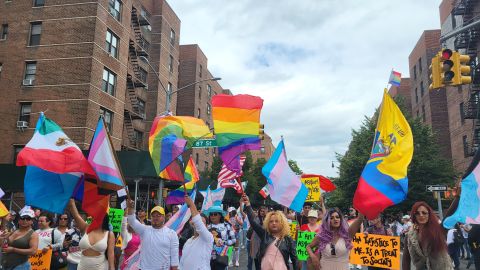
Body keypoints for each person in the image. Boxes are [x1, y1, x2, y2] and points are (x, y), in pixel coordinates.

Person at [241, 194, 297, 270]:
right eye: (271, 221)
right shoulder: (265, 235)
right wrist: (247, 204)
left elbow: (295, 259)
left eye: (277, 221)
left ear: (282, 223)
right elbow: (253, 222)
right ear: (267, 223)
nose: (274, 223)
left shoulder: (287, 239)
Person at [127, 199, 179, 270]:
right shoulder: (145, 230)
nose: (155, 218)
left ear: (163, 217)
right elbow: (131, 221)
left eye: (158, 215)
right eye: (153, 216)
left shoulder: (171, 233)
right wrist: (130, 208)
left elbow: (175, 257)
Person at [402, 201, 453, 269]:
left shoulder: (438, 230)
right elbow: (406, 258)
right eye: (417, 213)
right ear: (414, 216)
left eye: (424, 213)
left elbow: (449, 215)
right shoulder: (409, 236)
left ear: (429, 215)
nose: (421, 215)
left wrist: (457, 197)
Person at [68, 199, 115, 270]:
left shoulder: (109, 234)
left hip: (101, 267)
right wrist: (71, 201)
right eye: (94, 216)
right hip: (82, 267)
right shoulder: (85, 227)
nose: (94, 218)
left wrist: (112, 268)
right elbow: (76, 215)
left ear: (104, 219)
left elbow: (111, 254)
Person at [180, 195, 214, 270]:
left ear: (207, 226)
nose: (200, 224)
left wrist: (191, 204)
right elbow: (182, 261)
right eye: (199, 222)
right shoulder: (189, 241)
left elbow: (198, 222)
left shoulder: (208, 238)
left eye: (203, 223)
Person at [205, 205, 236, 270]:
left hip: (222, 256)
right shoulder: (207, 227)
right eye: (211, 214)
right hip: (208, 257)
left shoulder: (227, 225)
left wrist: (224, 242)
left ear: (220, 215)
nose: (213, 216)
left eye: (215, 214)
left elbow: (233, 240)